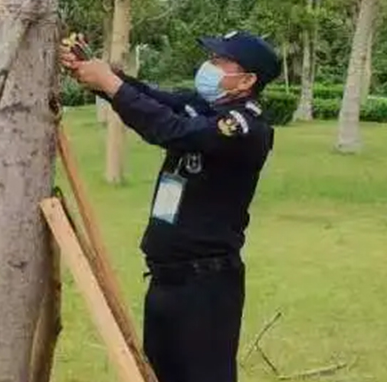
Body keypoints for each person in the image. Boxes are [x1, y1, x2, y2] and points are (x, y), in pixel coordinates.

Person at [60, 29, 281, 382]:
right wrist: (99, 76)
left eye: (219, 61)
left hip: (205, 287)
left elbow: (170, 129)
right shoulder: (206, 107)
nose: (208, 67)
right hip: (167, 280)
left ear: (247, 80)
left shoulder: (245, 127)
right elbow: (156, 100)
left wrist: (111, 85)